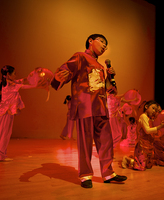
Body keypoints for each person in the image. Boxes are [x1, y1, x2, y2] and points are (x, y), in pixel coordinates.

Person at [51, 34, 127, 188]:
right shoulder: (80, 57)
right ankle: (85, 176)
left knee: (106, 141)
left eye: (106, 44)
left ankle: (108, 173)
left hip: (101, 106)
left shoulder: (100, 66)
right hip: (85, 106)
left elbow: (107, 88)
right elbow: (65, 71)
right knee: (85, 143)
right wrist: (58, 78)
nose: (105, 46)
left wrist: (110, 76)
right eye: (102, 42)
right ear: (91, 41)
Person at [0, 65, 40, 162]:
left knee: (2, 134)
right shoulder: (10, 85)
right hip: (6, 112)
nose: (15, 75)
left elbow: (23, 80)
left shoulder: (6, 82)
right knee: (4, 135)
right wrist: (39, 83)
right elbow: (29, 86)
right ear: (8, 75)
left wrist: (34, 74)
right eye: (14, 73)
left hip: (3, 112)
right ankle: (0, 157)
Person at [121, 100, 164, 170]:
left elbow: (154, 133)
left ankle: (135, 158)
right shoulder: (143, 116)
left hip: (148, 146)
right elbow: (147, 131)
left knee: (149, 166)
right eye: (153, 108)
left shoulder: (151, 119)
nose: (154, 111)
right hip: (142, 146)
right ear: (146, 107)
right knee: (141, 167)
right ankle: (127, 159)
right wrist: (160, 127)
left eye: (156, 110)